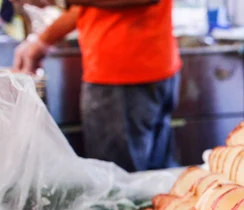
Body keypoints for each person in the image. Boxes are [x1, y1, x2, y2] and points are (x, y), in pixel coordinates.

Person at [12, 0, 181, 172]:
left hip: (122, 72)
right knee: (154, 181)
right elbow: (88, 7)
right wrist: (42, 42)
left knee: (121, 184)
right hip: (142, 67)